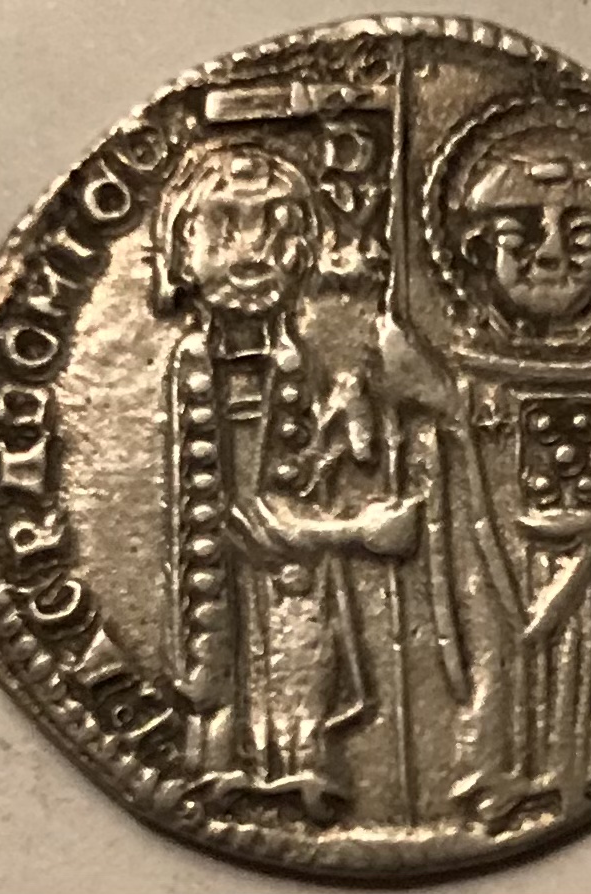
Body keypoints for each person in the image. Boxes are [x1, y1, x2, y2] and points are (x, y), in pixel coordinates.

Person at [151, 141, 420, 819]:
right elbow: (248, 520)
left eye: (275, 231)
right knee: (235, 671)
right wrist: (359, 531)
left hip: (297, 592)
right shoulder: (197, 365)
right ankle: (237, 770)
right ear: (183, 251)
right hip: (231, 592)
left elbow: (295, 471)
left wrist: (347, 417)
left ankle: (296, 769)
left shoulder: (293, 357)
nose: (251, 253)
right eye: (226, 228)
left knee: (301, 665)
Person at [411, 128, 591, 827]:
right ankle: (502, 771)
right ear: (476, 251)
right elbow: (453, 471)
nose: (549, 253)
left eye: (580, 236)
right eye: (518, 234)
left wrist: (436, 397)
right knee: (496, 659)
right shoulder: (471, 359)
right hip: (490, 558)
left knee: (573, 673)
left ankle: (567, 772)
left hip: (579, 564)